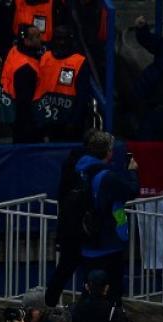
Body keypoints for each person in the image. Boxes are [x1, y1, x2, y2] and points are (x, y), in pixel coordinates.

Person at [74, 130, 139, 304]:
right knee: (112, 292)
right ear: (108, 152)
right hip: (108, 243)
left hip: (86, 239)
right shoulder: (107, 177)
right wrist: (132, 171)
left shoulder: (79, 172)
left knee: (89, 289)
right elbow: (132, 191)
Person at [44, 127, 102, 307]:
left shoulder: (70, 162)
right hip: (84, 227)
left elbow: (62, 195)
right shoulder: (93, 168)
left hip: (69, 226)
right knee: (91, 269)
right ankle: (88, 307)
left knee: (64, 269)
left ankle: (49, 304)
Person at [32, 25, 89, 142]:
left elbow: (83, 96)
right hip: (45, 118)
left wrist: (75, 121)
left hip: (68, 121)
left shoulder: (79, 61)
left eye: (64, 39)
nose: (61, 42)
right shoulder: (44, 57)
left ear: (70, 40)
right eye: (58, 38)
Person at [0, 23, 41, 143]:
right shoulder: (26, 68)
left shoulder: (14, 50)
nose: (41, 39)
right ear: (27, 41)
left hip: (11, 107)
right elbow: (25, 101)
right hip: (23, 116)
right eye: (37, 37)